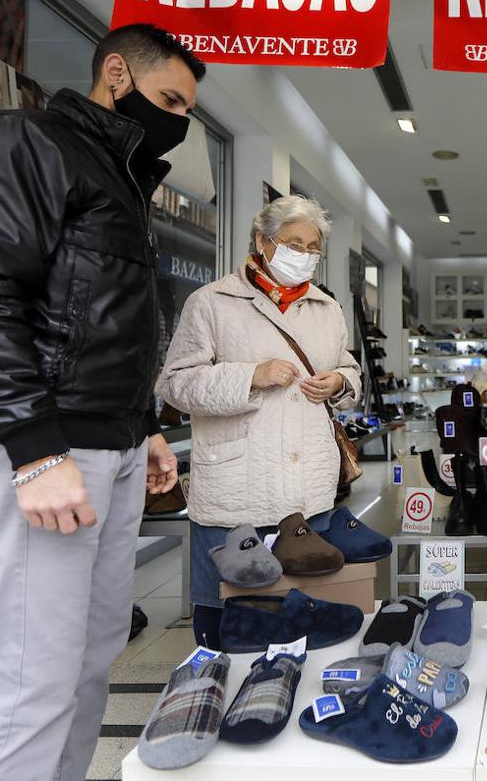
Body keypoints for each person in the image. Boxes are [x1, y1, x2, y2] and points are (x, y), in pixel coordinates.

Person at [0, 23, 204, 781]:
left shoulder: (124, 181)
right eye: (169, 100)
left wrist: (142, 426)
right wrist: (34, 448)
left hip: (110, 447)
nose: (178, 121)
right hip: (49, 449)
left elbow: (99, 323)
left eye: (186, 109)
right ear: (116, 74)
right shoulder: (25, 144)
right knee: (31, 677)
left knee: (89, 658)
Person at [156, 194, 362, 648]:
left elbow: (349, 368)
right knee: (229, 617)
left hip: (309, 488)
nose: (304, 255)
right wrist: (250, 376)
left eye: (313, 248)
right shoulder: (211, 303)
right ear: (262, 242)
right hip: (237, 488)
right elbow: (175, 384)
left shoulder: (327, 309)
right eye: (294, 244)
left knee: (305, 610)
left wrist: (340, 382)